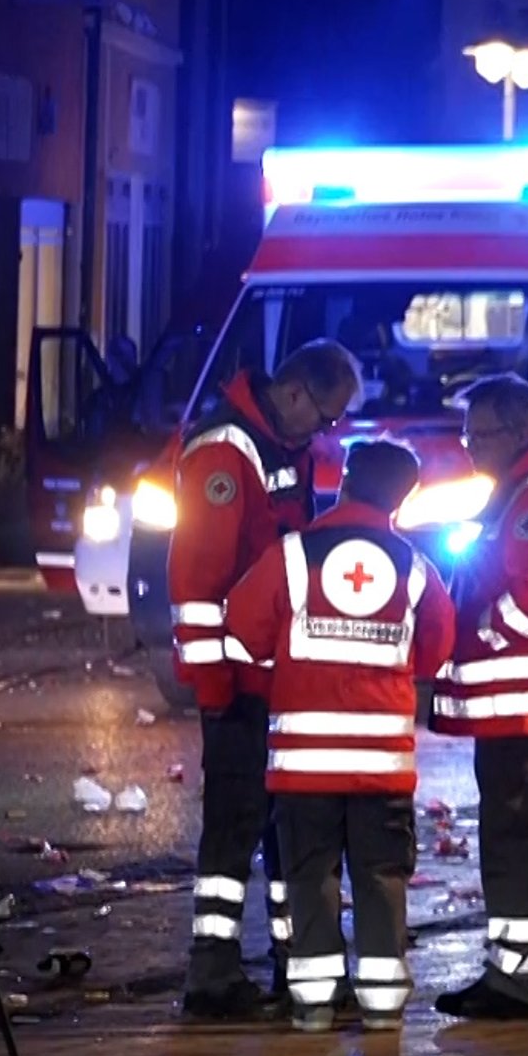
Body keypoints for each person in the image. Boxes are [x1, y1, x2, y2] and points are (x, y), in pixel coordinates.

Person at [222, 441, 457, 1033]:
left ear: (345, 481)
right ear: (403, 500)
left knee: (310, 880)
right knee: (381, 879)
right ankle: (382, 1009)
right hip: (382, 770)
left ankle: (314, 1005)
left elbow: (243, 628)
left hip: (304, 770)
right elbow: (436, 649)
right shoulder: (415, 566)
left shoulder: (294, 555)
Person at [172, 340, 361, 1021]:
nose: (325, 431)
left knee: (284, 822)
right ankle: (213, 972)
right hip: (239, 685)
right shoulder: (227, 450)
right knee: (233, 824)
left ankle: (296, 962)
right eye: (326, 415)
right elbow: (197, 584)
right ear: (294, 392)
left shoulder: (283, 446)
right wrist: (216, 688)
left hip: (277, 680)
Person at [432, 375, 528, 1020]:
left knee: (513, 840)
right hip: (526, 704)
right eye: (467, 434)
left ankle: (515, 980)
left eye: (483, 434)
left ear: (524, 430)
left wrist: (479, 638)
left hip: (518, 703)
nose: (471, 447)